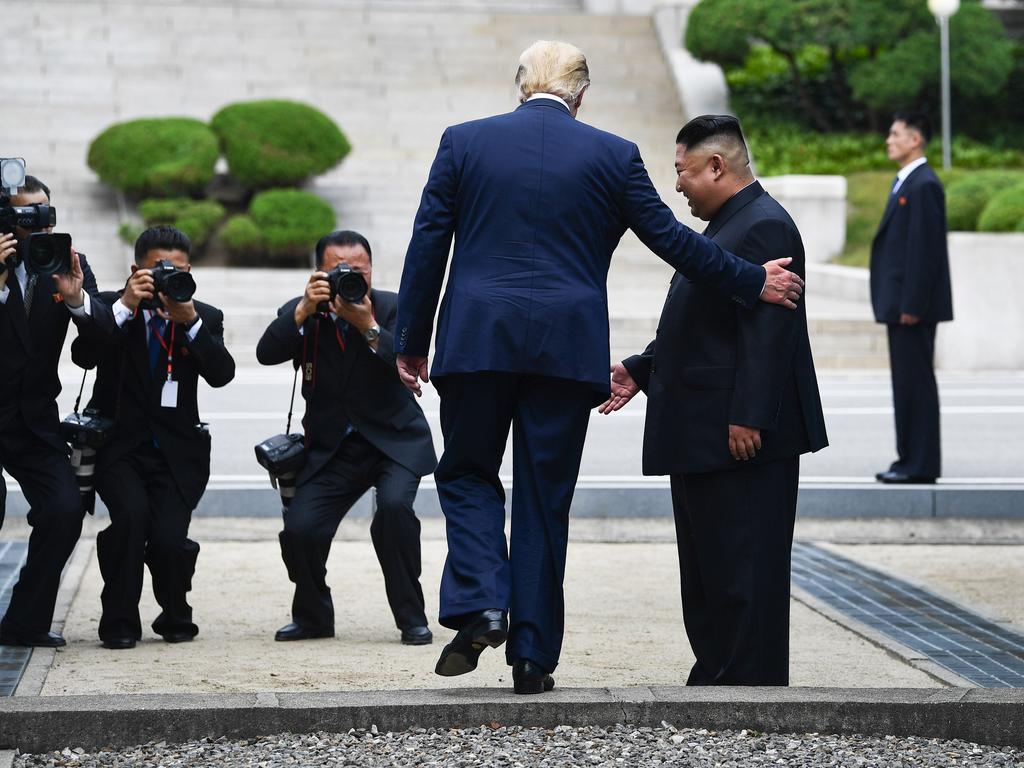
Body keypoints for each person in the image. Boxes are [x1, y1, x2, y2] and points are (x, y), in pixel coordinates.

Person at [394, 40, 806, 695]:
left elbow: (427, 244)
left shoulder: (463, 142)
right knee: (544, 499)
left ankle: (482, 601)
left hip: (478, 340)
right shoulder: (612, 155)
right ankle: (531, 658)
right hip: (565, 351)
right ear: (581, 96)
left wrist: (410, 341)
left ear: (520, 86)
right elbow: (672, 240)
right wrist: (750, 279)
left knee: (468, 473)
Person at [602, 115, 828, 685]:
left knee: (743, 565)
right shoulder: (730, 224)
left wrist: (749, 416)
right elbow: (703, 320)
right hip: (705, 429)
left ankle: (746, 682)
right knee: (711, 563)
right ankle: (720, 671)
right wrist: (641, 367)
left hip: (739, 433)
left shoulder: (764, 226)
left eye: (681, 171)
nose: (677, 184)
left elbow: (770, 332)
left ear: (716, 166)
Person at [257, 230, 437, 646]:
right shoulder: (306, 310)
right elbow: (266, 352)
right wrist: (303, 308)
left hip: (393, 441)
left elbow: (407, 362)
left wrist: (368, 326)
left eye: (358, 270)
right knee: (300, 530)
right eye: (337, 269)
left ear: (371, 270)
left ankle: (412, 618)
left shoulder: (393, 307)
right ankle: (313, 616)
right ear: (319, 271)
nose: (348, 277)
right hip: (333, 447)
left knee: (393, 513)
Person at [70, 225, 235, 649]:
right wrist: (126, 304)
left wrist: (191, 322)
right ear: (135, 270)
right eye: (156, 269)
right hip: (118, 447)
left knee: (167, 538)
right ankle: (120, 622)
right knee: (129, 520)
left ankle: (176, 613)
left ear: (189, 271)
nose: (165, 278)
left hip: (179, 454)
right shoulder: (110, 308)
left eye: (174, 270)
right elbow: (84, 354)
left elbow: (222, 374)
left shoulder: (204, 315)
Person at [0, 175, 114, 647]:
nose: (39, 225)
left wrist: (79, 302)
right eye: (26, 216)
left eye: (45, 213)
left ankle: (24, 621)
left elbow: (99, 349)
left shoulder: (69, 263)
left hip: (33, 420)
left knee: (66, 510)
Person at [871, 111, 953, 485]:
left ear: (915, 140)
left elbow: (925, 251)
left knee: (915, 384)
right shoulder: (907, 182)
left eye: (895, 133)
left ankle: (918, 465)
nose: (889, 140)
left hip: (911, 309)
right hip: (902, 305)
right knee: (906, 385)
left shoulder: (923, 185)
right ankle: (909, 460)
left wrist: (912, 306)